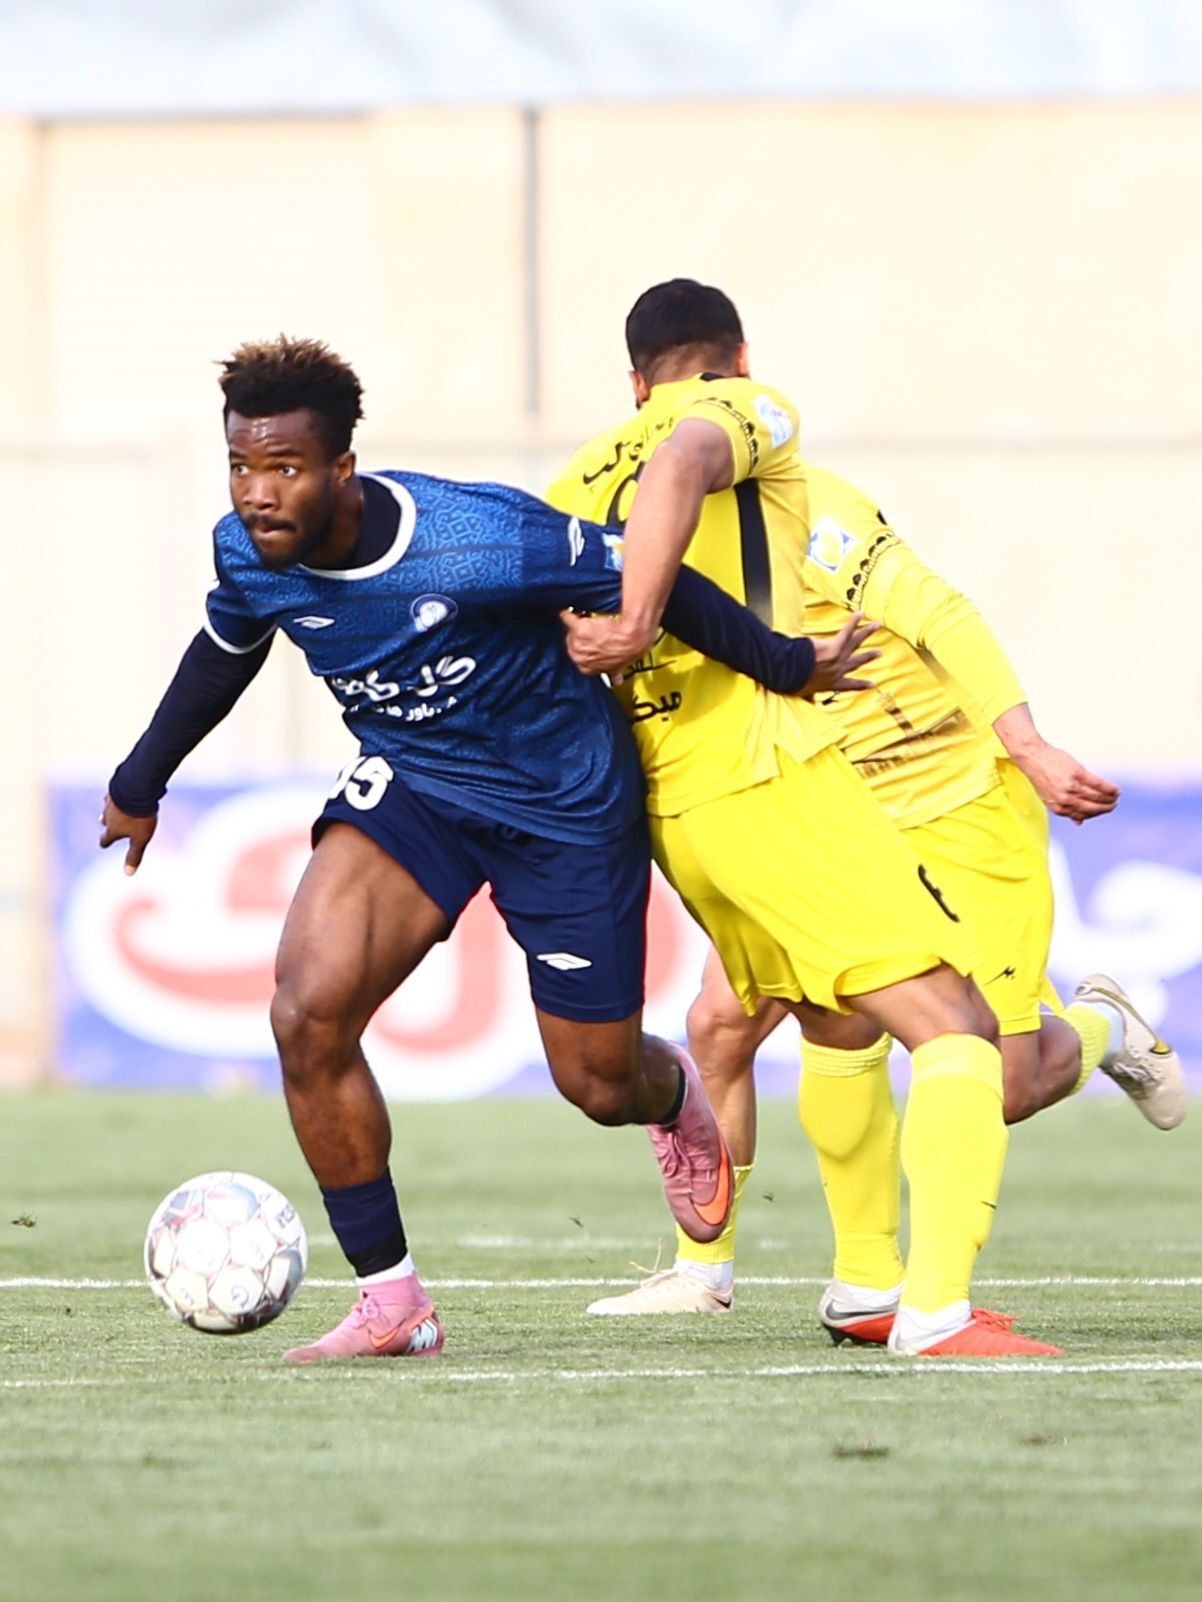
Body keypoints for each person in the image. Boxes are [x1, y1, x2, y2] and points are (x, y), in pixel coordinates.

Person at [99, 335, 872, 1363]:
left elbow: (654, 575)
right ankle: (393, 1302)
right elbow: (224, 649)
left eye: (284, 468)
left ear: (342, 468)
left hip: (562, 803)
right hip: (417, 785)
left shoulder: (476, 539)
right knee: (305, 1013)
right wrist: (140, 782)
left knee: (596, 1083)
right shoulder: (248, 552)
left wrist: (783, 663)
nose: (257, 493)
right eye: (241, 466)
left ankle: (669, 1093)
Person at [547, 278, 1074, 1357]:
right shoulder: (747, 410)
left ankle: (865, 1284)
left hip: (676, 802)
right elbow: (688, 457)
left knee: (832, 1022)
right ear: (738, 357)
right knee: (956, 1028)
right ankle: (935, 1313)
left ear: (632, 380)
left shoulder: (578, 476)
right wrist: (653, 622)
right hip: (768, 774)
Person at [578, 462, 1185, 1330]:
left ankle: (1105, 1028)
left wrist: (1029, 744)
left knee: (1004, 1083)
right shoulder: (654, 527)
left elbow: (941, 613)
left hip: (952, 804)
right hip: (826, 807)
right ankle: (721, 1272)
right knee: (722, 1024)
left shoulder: (811, 511)